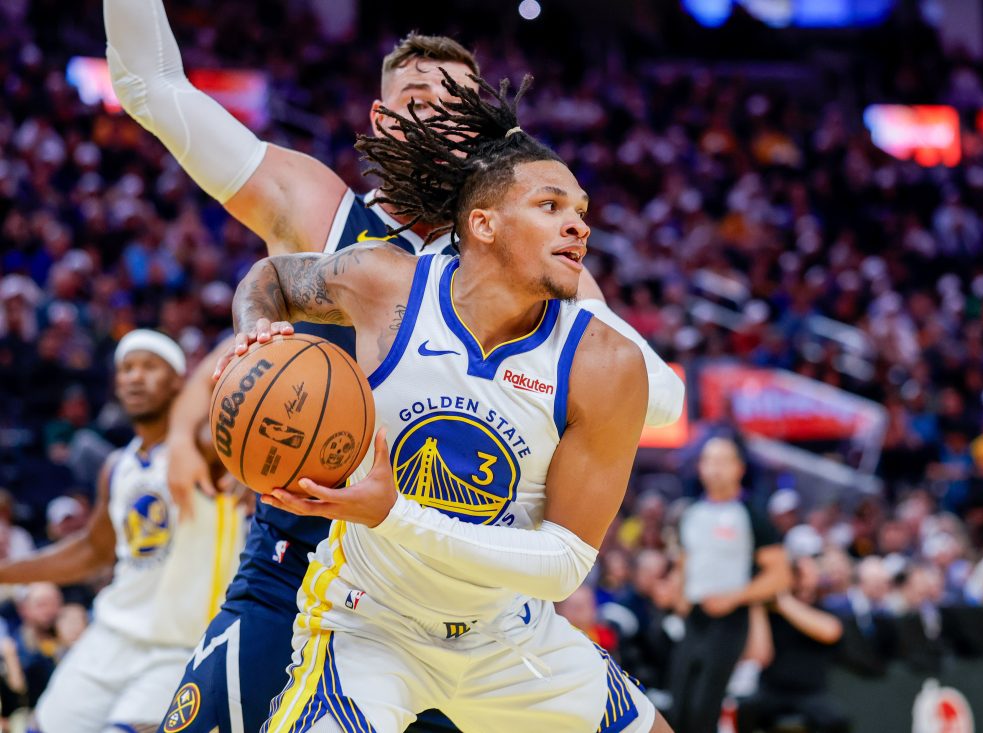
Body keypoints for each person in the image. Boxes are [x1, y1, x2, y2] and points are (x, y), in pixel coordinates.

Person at [103, 3, 684, 729]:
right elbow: (150, 85)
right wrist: (256, 337)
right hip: (307, 564)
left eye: (458, 106)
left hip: (463, 592)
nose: (440, 118)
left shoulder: (530, 263)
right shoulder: (324, 215)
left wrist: (574, 358)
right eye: (418, 102)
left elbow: (655, 395)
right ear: (381, 121)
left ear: (485, 134)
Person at [220, 71, 671, 733]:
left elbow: (562, 566)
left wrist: (393, 513)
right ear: (482, 223)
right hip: (369, 623)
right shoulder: (385, 284)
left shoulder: (607, 362)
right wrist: (253, 336)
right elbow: (272, 277)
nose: (578, 224)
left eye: (580, 210)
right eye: (550, 206)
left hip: (510, 635)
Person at [0, 330, 244, 733]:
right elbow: (91, 552)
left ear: (179, 382)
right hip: (111, 634)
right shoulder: (117, 466)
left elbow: (226, 362)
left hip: (181, 647)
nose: (134, 377)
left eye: (150, 367)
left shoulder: (204, 447)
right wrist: (5, 571)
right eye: (127, 368)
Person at [667, 437, 790, 733]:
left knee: (705, 706)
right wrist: (679, 597)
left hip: (731, 619)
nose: (715, 468)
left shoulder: (752, 515)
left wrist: (735, 597)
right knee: (678, 702)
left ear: (739, 468)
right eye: (708, 460)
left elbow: (780, 575)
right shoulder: (691, 513)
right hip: (694, 617)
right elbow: (685, 562)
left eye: (723, 461)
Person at [737, 557, 850, 733]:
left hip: (811, 694)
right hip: (771, 691)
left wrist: (783, 600)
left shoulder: (825, 609)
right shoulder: (768, 613)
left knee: (836, 720)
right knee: (745, 711)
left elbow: (830, 632)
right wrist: (757, 600)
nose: (798, 576)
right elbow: (759, 656)